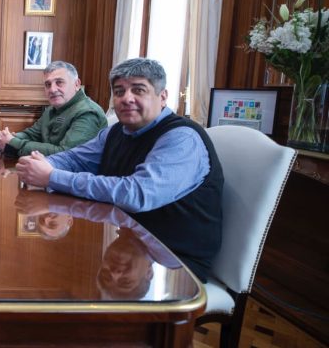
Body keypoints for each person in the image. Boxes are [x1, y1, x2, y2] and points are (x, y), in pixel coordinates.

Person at [14, 58, 223, 282]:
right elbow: (74, 158)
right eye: (119, 91)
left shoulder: (181, 138)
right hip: (130, 237)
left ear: (162, 97)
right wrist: (43, 165)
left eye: (138, 90)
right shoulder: (116, 132)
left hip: (175, 262)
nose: (126, 98)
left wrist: (52, 176)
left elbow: (136, 194)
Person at [0, 61, 107, 157]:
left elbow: (66, 154)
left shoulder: (88, 113)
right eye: (48, 84)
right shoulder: (52, 109)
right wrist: (10, 137)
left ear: (77, 84)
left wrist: (14, 143)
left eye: (59, 82)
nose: (52, 89)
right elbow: (32, 134)